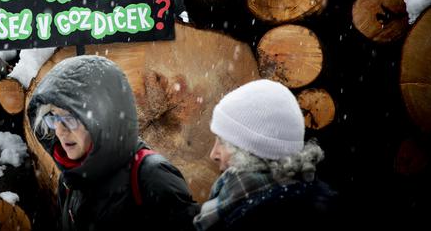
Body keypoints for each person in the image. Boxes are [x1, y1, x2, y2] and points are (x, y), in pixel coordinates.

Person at [28, 55, 199, 231]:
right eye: (53, 118)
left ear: (103, 117)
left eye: (70, 117)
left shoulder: (151, 176)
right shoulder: (70, 179)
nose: (59, 130)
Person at [194, 79, 339, 231]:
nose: (213, 154)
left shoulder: (252, 220)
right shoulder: (242, 204)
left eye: (223, 142)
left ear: (251, 153)